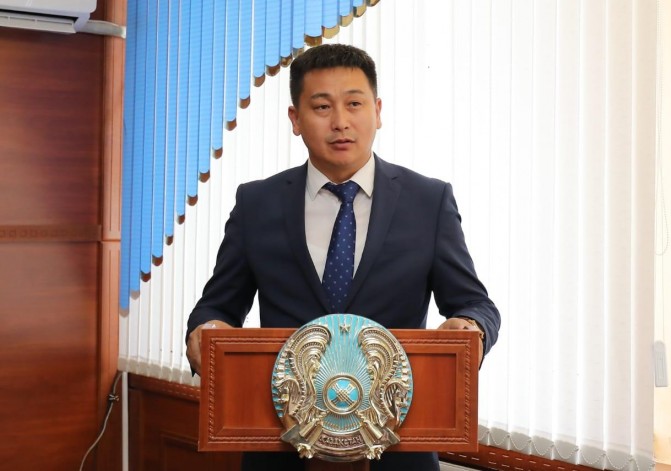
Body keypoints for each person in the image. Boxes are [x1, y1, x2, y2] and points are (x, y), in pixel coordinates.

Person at [186, 44, 500, 471]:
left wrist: (471, 328)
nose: (340, 122)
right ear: (295, 119)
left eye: (354, 103)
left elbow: (475, 303)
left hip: (397, 450)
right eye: (322, 107)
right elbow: (217, 306)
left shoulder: (428, 201)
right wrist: (204, 332)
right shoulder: (257, 202)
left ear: (378, 111)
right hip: (281, 447)